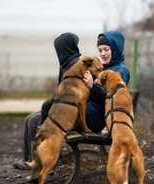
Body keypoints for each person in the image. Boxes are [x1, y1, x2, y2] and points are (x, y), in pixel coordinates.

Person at [13, 30, 130, 171]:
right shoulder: (102, 67)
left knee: (45, 115)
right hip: (79, 111)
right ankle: (32, 159)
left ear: (116, 48)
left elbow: (112, 97)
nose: (103, 53)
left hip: (93, 118)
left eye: (106, 49)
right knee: (33, 120)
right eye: (100, 50)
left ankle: (40, 162)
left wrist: (92, 87)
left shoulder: (119, 71)